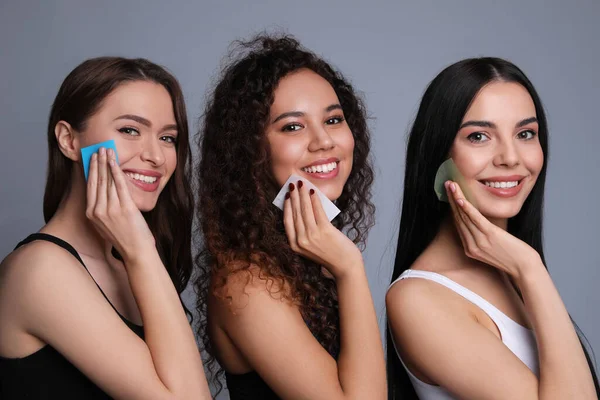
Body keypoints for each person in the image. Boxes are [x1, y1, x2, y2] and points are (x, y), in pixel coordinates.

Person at [386, 57, 599, 399]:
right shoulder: (418, 299)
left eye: (525, 133)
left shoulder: (511, 271)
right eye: (480, 136)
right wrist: (530, 268)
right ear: (439, 154)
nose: (510, 158)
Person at [0, 57, 210, 399]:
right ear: (69, 140)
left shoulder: (126, 260)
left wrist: (139, 252)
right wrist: (141, 250)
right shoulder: (40, 270)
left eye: (168, 138)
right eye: (130, 130)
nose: (156, 156)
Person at [195, 34, 386, 399]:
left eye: (333, 119)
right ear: (250, 150)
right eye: (292, 127)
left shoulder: (310, 256)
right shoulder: (245, 281)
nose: (323, 141)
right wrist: (349, 268)